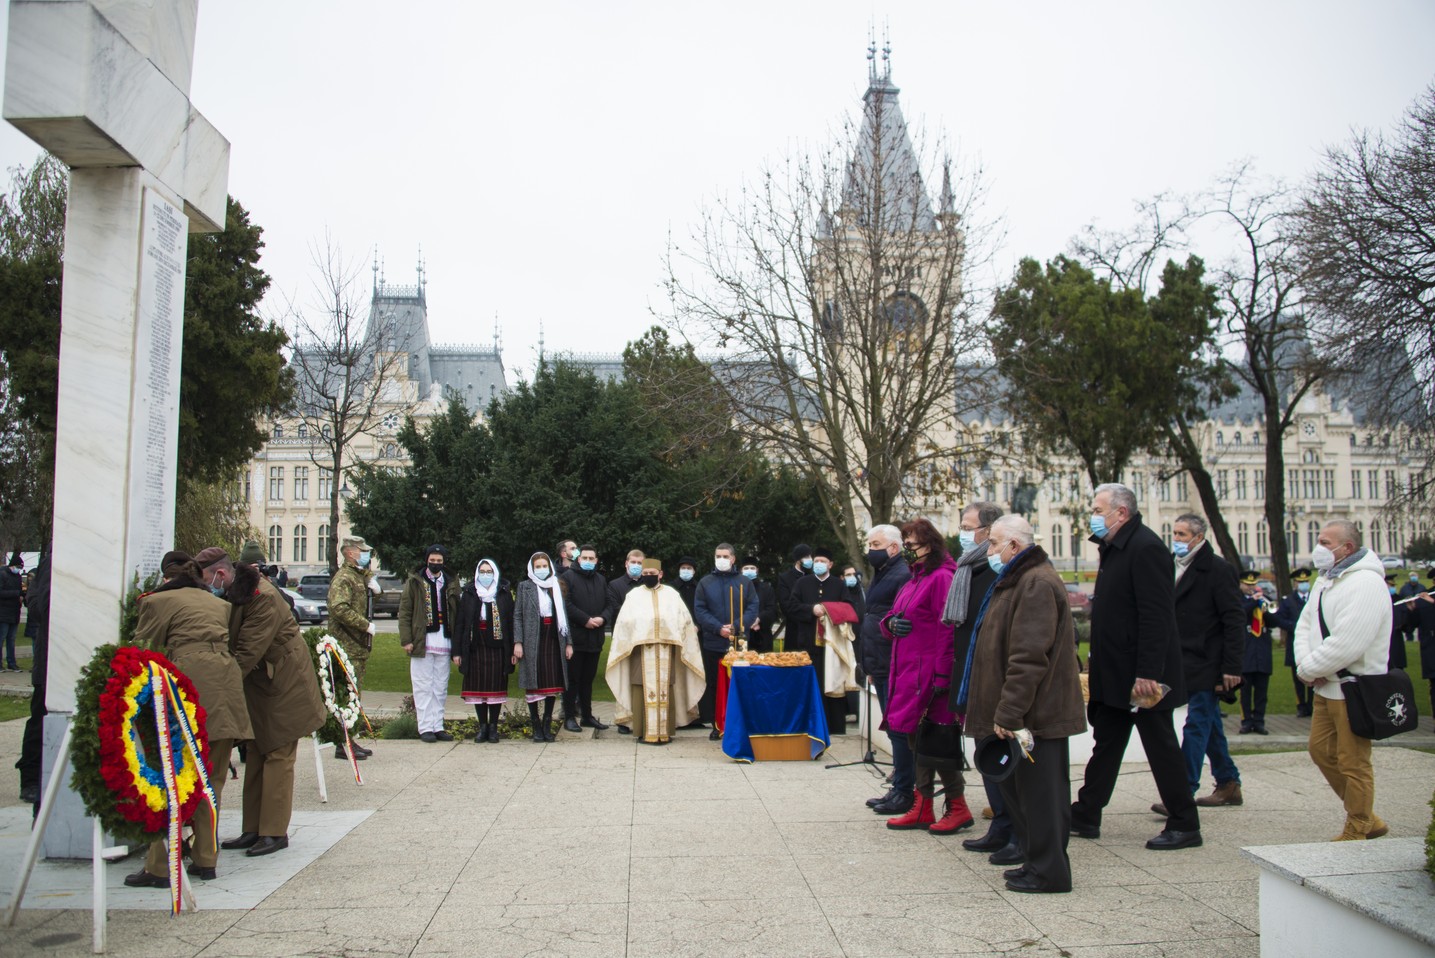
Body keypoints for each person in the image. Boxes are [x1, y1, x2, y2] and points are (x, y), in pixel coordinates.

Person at [1070, 483, 1199, 851]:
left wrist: (1148, 673)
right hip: (1115, 674)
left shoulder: (1145, 548)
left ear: (1121, 513)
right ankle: (1086, 813)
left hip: (1141, 677)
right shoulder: (1115, 548)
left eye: (1098, 509)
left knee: (1161, 747)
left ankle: (1184, 822)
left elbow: (1157, 617)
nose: (1093, 516)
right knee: (1107, 744)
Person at [963, 515, 1086, 894]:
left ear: (1015, 546)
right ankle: (1035, 863)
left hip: (1036, 716)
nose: (990, 551)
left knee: (1041, 799)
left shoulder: (1035, 583)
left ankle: (1049, 872)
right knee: (1023, 798)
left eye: (995, 543)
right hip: (1019, 715)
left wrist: (1010, 712)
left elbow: (1029, 657)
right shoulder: (1016, 579)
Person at [125, 552, 253, 887]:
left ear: (168, 578)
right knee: (213, 778)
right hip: (226, 689)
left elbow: (142, 652)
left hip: (189, 690)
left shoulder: (158, 602)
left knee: (170, 776)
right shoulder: (219, 605)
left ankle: (159, 866)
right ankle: (206, 858)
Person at [197, 546, 326, 857]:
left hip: (283, 683)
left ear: (222, 574)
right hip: (262, 683)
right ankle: (252, 829)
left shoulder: (262, 597)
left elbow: (246, 653)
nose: (206, 587)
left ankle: (273, 832)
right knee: (255, 752)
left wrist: (215, 690)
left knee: (278, 754)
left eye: (206, 580)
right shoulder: (239, 592)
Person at [1292, 519, 1392, 841]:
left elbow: (1350, 642)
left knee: (1354, 761)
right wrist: (1306, 664)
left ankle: (1359, 823)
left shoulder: (1365, 583)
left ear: (1346, 547)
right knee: (1321, 751)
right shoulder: (1326, 579)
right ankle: (1367, 815)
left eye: (1325, 542)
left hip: (1354, 687)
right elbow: (1305, 625)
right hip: (1325, 684)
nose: (1318, 547)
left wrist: (1310, 669)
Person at [881, 518, 972, 835]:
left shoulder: (942, 578)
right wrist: (890, 625)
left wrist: (943, 678)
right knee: (918, 740)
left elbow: (948, 630)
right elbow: (897, 615)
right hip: (909, 673)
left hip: (929, 677)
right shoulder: (914, 579)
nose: (907, 551)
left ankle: (955, 806)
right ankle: (924, 805)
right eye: (905, 545)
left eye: (911, 545)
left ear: (929, 545)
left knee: (937, 741)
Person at [1151, 515, 1244, 818]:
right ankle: (1228, 781)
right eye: (1174, 532)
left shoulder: (1218, 570)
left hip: (1207, 660)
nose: (1176, 538)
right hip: (1180, 658)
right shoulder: (1171, 566)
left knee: (1197, 724)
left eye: (1182, 534)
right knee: (1210, 723)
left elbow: (1234, 620)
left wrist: (1232, 666)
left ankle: (1182, 790)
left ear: (1199, 537)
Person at [941, 503, 1006, 855]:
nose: (962, 533)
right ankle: (1001, 821)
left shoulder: (997, 571)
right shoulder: (968, 568)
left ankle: (1007, 823)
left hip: (991, 677)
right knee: (985, 748)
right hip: (969, 673)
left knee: (996, 750)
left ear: (990, 530)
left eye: (968, 526)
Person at [605, 559, 706, 744]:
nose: (648, 576)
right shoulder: (633, 595)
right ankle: (643, 730)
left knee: (666, 688)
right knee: (640, 686)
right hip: (640, 651)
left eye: (652, 573)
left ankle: (665, 731)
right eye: (645, 573)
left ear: (660, 574)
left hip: (667, 651)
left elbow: (684, 620)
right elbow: (623, 623)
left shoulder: (672, 595)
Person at [858, 524, 912, 815]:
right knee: (893, 728)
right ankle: (900, 786)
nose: (870, 549)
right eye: (868, 543)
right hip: (879, 660)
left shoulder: (902, 574)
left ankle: (905, 789)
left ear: (893, 548)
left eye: (875, 544)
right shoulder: (884, 573)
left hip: (894, 662)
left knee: (899, 729)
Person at [693, 543, 758, 738]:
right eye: (717, 555)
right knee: (715, 684)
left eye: (724, 556)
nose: (721, 559)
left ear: (732, 559)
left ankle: (741, 723)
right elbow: (700, 609)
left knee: (739, 683)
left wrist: (736, 626)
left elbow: (752, 606)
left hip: (739, 642)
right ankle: (717, 724)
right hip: (714, 641)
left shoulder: (744, 582)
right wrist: (717, 628)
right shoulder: (705, 583)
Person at [399, 545, 461, 743]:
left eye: (439, 561)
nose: (436, 564)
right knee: (423, 685)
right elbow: (405, 611)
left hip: (444, 637)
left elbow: (456, 612)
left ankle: (438, 725)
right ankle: (425, 727)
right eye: (432, 560)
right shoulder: (415, 582)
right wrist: (406, 639)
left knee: (440, 686)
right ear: (427, 560)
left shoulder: (450, 582)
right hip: (422, 639)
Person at [791, 546, 852, 734]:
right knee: (812, 683)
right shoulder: (802, 583)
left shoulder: (839, 585)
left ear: (830, 564)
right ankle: (811, 724)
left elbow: (848, 608)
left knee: (833, 683)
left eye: (822, 561)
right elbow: (792, 606)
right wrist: (811, 610)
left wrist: (828, 610)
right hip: (809, 643)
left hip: (832, 645)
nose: (818, 564)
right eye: (816, 561)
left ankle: (835, 726)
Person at [455, 558, 515, 743]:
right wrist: (457, 652)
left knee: (495, 687)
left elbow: (511, 623)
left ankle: (494, 727)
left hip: (498, 647)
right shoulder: (469, 593)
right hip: (474, 646)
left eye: (489, 571)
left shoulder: (503, 594)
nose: (486, 575)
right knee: (478, 688)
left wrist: (513, 649)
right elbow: (460, 623)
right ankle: (482, 727)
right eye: (483, 571)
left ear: (495, 573)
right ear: (477, 573)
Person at [513, 551, 572, 743]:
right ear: (532, 568)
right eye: (537, 566)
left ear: (549, 567)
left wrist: (568, 642)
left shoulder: (555, 585)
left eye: (544, 566)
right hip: (533, 639)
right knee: (533, 682)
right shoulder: (525, 587)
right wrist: (518, 642)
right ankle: (535, 724)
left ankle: (547, 723)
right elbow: (518, 616)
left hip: (554, 637)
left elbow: (563, 614)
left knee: (551, 683)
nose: (541, 569)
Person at [560, 544, 615, 732]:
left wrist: (603, 618)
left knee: (587, 680)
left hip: (595, 638)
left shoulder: (600, 579)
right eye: (585, 558)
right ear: (579, 559)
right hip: (576, 638)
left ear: (597, 561)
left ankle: (587, 716)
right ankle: (569, 717)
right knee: (572, 680)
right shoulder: (568, 577)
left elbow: (610, 603)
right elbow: (565, 604)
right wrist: (585, 620)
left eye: (592, 559)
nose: (589, 561)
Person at [327, 536, 379, 705]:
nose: (366, 554)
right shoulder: (344, 578)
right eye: (362, 550)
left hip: (357, 647)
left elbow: (362, 604)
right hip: (346, 646)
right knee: (346, 694)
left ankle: (353, 728)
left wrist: (375, 590)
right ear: (350, 552)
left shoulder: (357, 576)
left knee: (354, 693)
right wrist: (365, 625)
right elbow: (339, 608)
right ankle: (346, 730)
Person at [15, 551, 47, 807]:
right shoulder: (51, 562)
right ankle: (30, 778)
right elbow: (39, 608)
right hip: (50, 660)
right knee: (40, 718)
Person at [607, 548, 646, 734]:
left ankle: (644, 717)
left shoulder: (649, 585)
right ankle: (624, 719)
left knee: (644, 680)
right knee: (625, 678)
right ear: (626, 563)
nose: (636, 566)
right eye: (633, 562)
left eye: (640, 563)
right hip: (624, 639)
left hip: (646, 639)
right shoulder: (615, 585)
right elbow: (616, 609)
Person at [1271, 568, 1316, 717]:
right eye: (1300, 581)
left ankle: (1312, 704)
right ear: (1295, 583)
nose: (1303, 584)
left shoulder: (1315, 598)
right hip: (1294, 643)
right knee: (1298, 678)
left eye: (1306, 581)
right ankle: (1301, 705)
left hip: (1313, 644)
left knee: (1313, 675)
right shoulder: (1288, 600)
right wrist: (1293, 626)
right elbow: (1279, 619)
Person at [1236, 570, 1275, 735]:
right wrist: (1252, 602)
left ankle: (1259, 721)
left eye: (1253, 584)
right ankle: (1246, 721)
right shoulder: (1237, 600)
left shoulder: (1263, 601)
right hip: (1246, 654)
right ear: (1241, 584)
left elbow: (1274, 621)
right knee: (1245, 693)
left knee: (1262, 693)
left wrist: (1264, 608)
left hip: (1262, 654)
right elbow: (1240, 615)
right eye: (1247, 584)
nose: (1251, 587)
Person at [740, 556, 779, 654]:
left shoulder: (767, 589)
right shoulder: (735, 588)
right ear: (741, 570)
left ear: (757, 570)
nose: (749, 570)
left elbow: (772, 610)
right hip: (741, 637)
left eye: (752, 568)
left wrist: (759, 619)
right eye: (746, 568)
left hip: (762, 637)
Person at [776, 544, 814, 640]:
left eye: (810, 556)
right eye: (806, 557)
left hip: (814, 628)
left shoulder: (814, 577)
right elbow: (785, 605)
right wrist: (808, 614)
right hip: (795, 629)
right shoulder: (785, 578)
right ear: (798, 560)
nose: (810, 559)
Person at [0, 552, 22, 672]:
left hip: (14, 611)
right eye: (18, 567)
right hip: (3, 612)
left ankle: (11, 662)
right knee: (2, 637)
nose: (19, 570)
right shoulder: (2, 574)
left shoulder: (17, 577)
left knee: (11, 639)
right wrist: (16, 593)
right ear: (12, 565)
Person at [1384, 574, 1408, 670]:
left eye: (1393, 586)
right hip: (1385, 636)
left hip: (1396, 636)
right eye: (1391, 586)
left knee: (1397, 662)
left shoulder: (1399, 599)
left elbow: (1405, 620)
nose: (1393, 588)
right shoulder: (1381, 598)